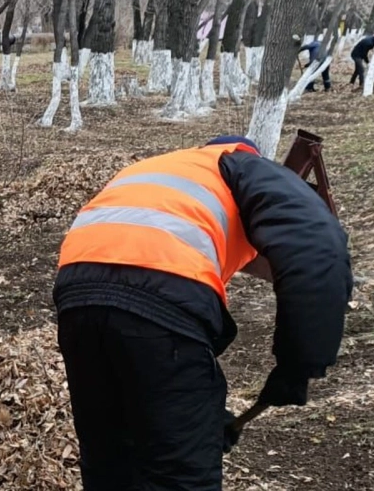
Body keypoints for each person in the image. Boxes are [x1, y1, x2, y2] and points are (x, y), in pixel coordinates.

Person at [54, 135, 352, 490]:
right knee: (182, 477)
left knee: (109, 461)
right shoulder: (244, 164)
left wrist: (202, 416)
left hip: (76, 296)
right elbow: (319, 249)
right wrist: (299, 364)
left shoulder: (167, 172)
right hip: (158, 290)